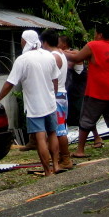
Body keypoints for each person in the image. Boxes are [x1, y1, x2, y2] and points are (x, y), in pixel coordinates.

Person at [0, 29, 61, 176]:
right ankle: (56, 165)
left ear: (25, 41)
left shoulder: (22, 60)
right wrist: (53, 95)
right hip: (50, 102)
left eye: (21, 40)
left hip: (34, 106)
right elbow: (55, 79)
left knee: (40, 138)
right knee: (52, 133)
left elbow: (9, 83)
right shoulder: (48, 55)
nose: (20, 43)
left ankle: (47, 171)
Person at [64, 23, 109, 156]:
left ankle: (80, 150)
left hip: (99, 90)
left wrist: (58, 52)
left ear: (100, 34)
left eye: (96, 33)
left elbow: (77, 58)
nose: (94, 35)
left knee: (86, 119)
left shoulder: (93, 45)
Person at [41, 30, 73, 171]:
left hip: (56, 94)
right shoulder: (60, 53)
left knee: (59, 130)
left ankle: (66, 158)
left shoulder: (53, 56)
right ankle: (62, 157)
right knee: (59, 129)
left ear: (45, 42)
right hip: (61, 94)